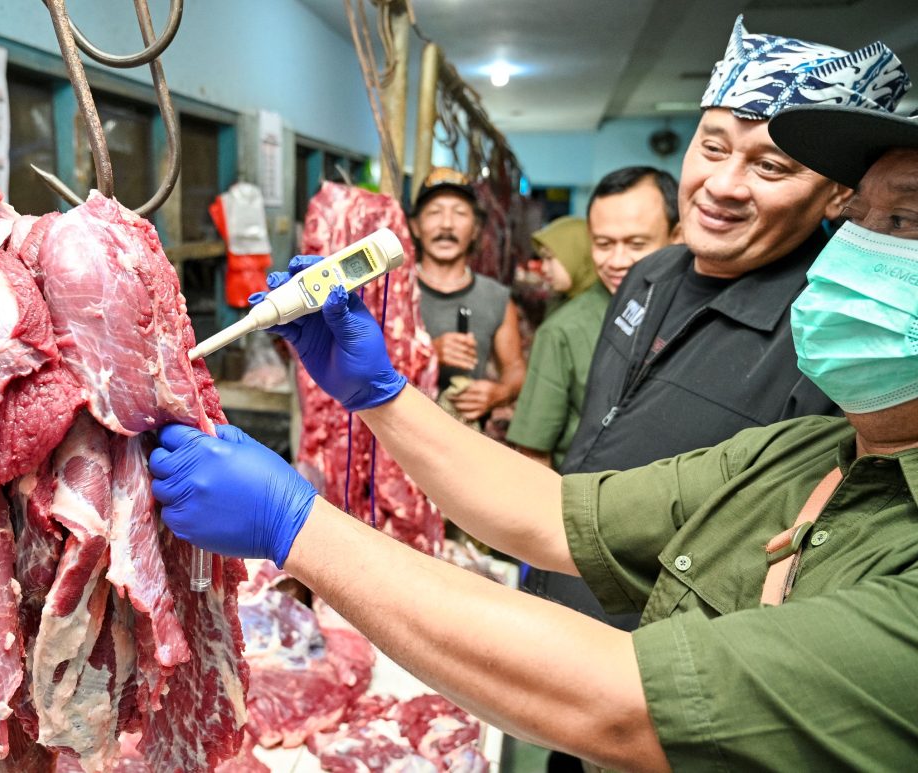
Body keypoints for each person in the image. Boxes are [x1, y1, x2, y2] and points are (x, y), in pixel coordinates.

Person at [148, 98, 918, 769]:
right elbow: (553, 514)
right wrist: (380, 395)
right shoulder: (811, 455)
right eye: (858, 219)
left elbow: (625, 704)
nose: (853, 255)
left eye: (905, 220)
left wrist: (298, 527)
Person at [527, 18, 911, 638]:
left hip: (660, 658)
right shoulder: (648, 273)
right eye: (712, 147)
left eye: (772, 167)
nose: (722, 186)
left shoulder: (835, 335)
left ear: (838, 195)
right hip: (556, 590)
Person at [508, 168, 679, 469]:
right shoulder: (564, 331)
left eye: (637, 244)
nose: (617, 261)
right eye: (603, 244)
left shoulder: (702, 312)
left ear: (677, 236)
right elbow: (533, 453)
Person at [410, 167, 524, 424]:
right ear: (416, 226)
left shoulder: (496, 297)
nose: (447, 224)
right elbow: (360, 364)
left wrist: (502, 392)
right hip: (397, 439)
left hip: (464, 439)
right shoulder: (395, 292)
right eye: (435, 212)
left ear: (475, 229)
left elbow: (515, 368)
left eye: (460, 213)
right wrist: (428, 354)